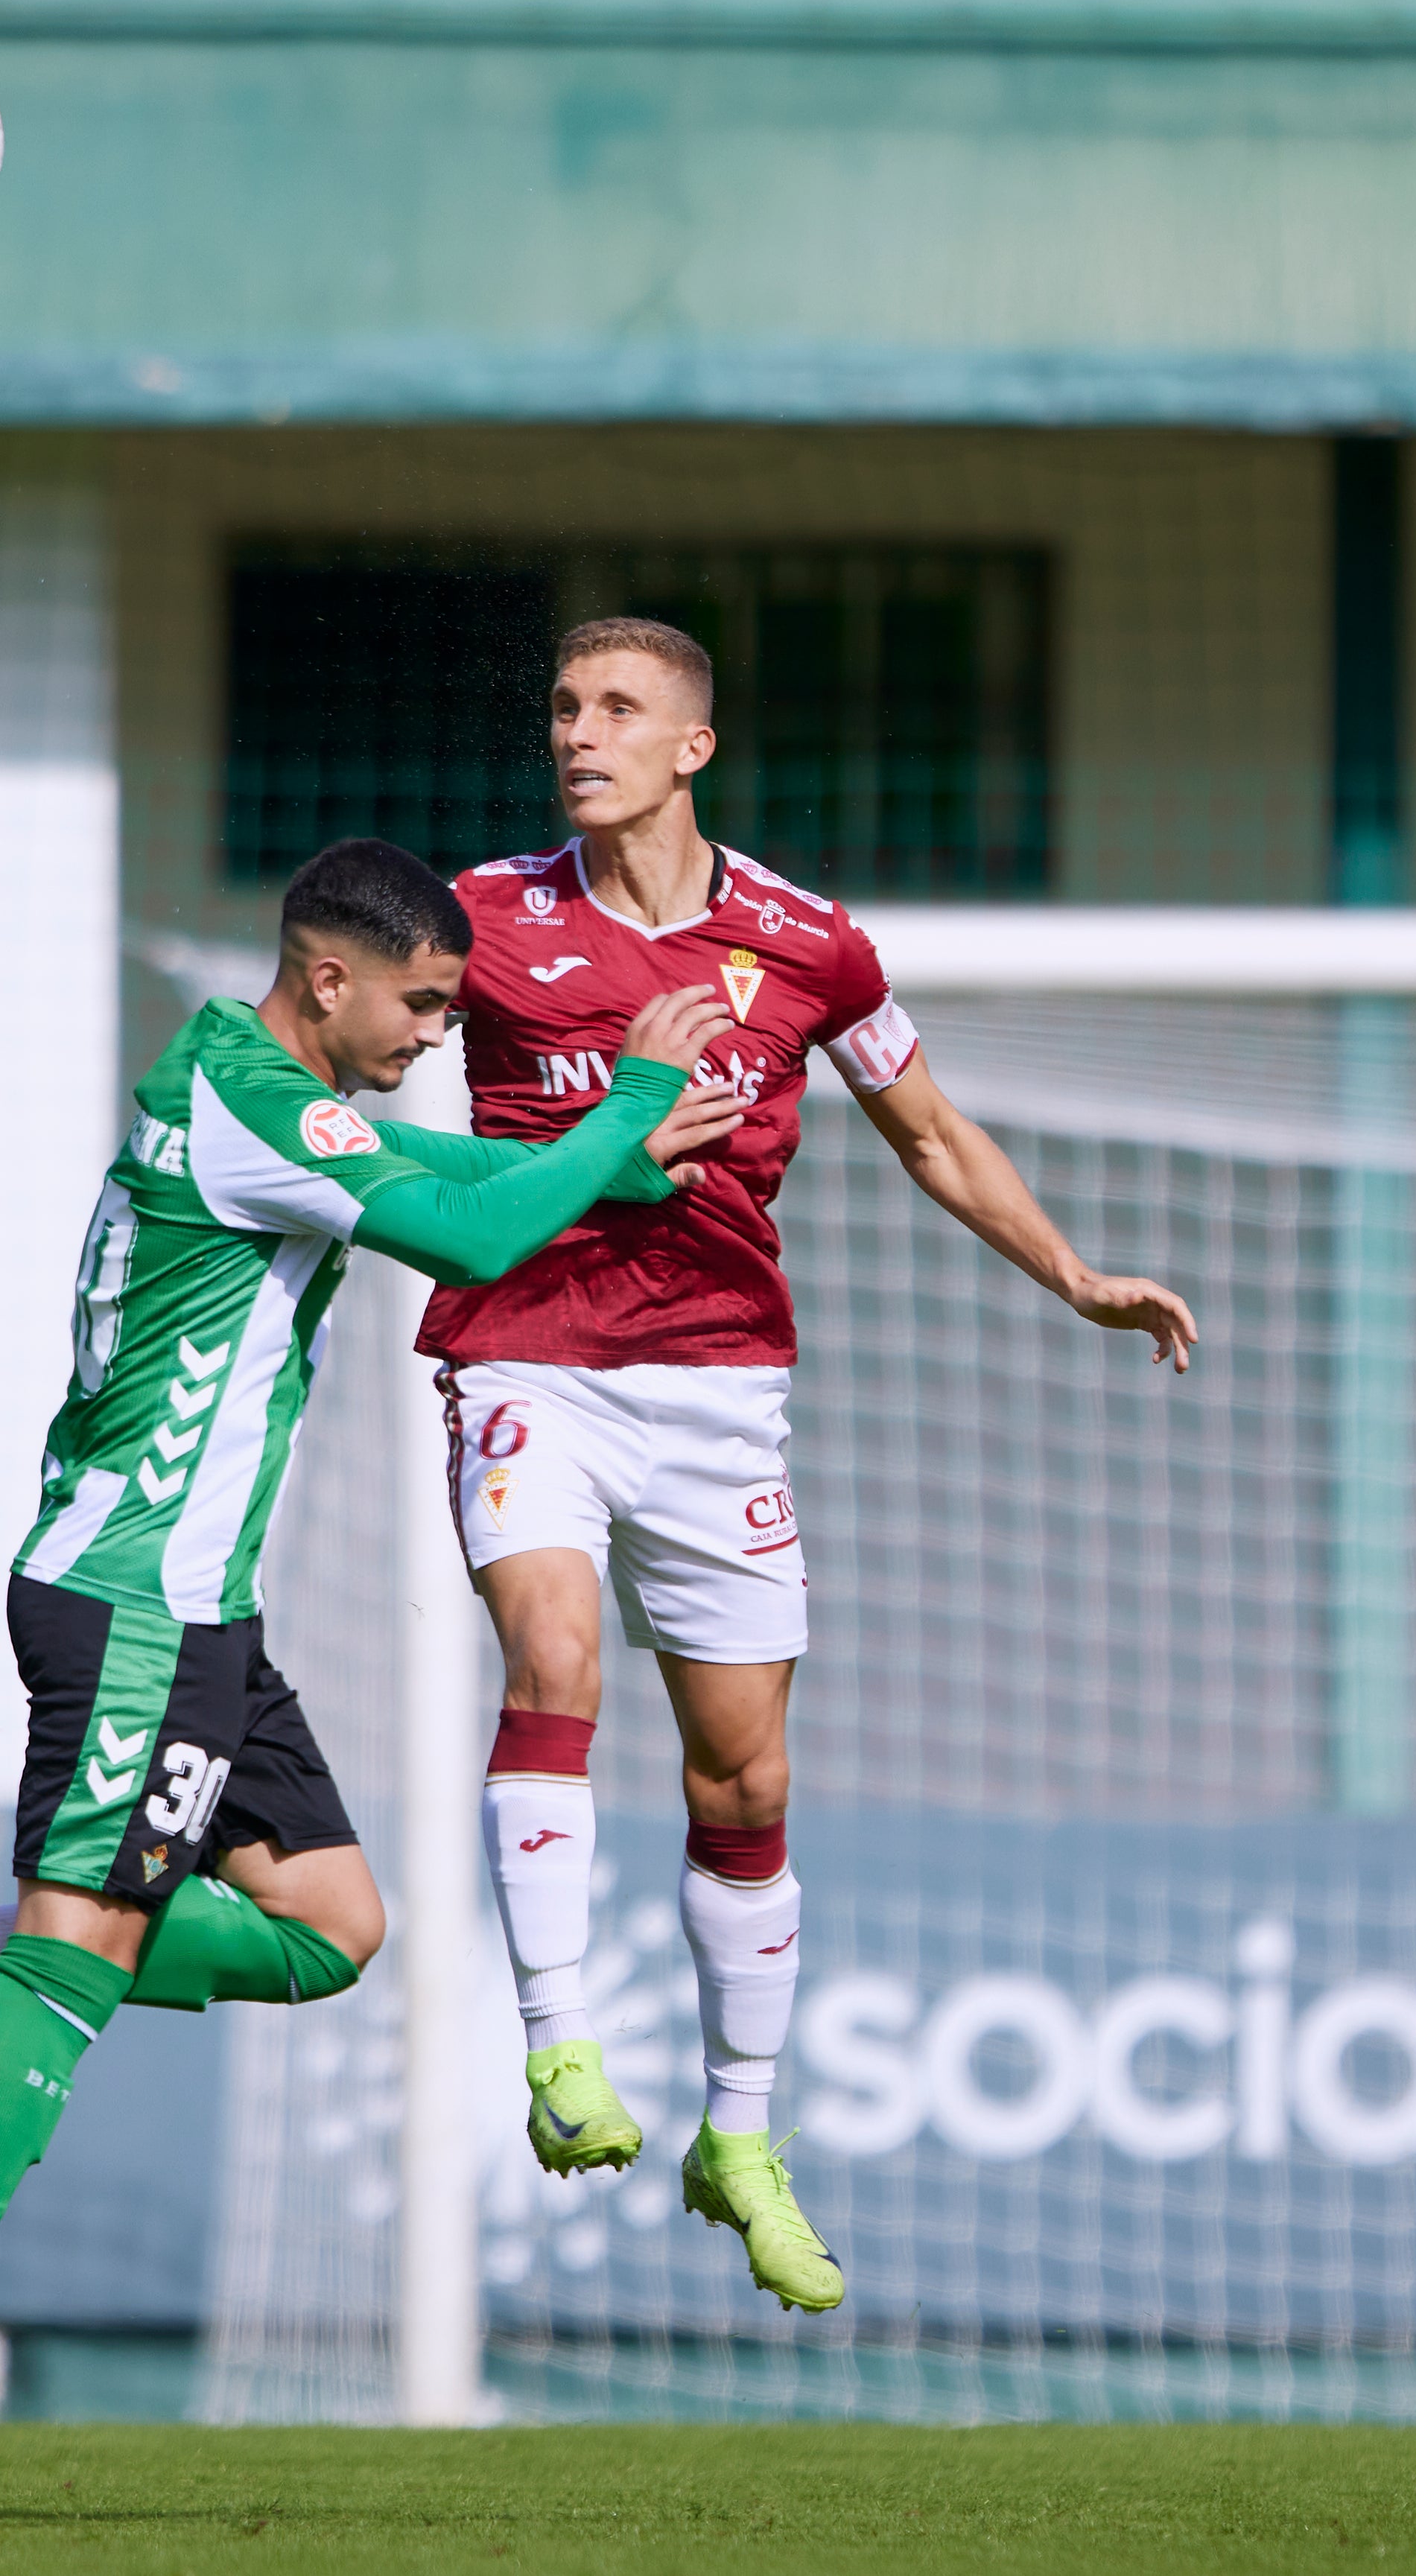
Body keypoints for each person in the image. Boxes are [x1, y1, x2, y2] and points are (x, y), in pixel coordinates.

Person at [0, 837, 743, 2533]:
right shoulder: (249, 1097)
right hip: (134, 1603)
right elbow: (461, 1238)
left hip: (196, 1618)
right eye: (422, 1003)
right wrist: (628, 1107)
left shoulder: (251, 1085)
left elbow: (431, 1171)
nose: (432, 1034)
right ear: (329, 976)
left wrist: (614, 1161)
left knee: (329, 1924)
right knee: (77, 1965)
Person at [425, 618, 1200, 2315]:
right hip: (527, 1352)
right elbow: (358, 1088)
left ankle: (742, 2136)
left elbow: (928, 1128)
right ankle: (559, 2043)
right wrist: (595, 1142)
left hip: (718, 1386)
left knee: (745, 1780)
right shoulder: (478, 918)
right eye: (562, 704)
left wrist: (1073, 1272)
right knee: (551, 1655)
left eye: (617, 708)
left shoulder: (806, 944)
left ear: (693, 745)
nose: (580, 732)